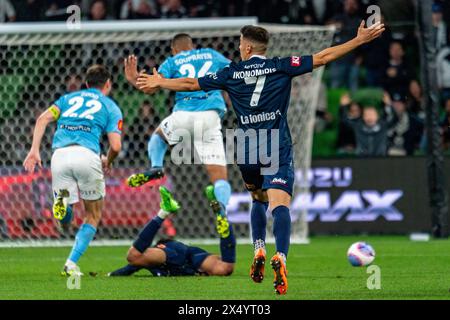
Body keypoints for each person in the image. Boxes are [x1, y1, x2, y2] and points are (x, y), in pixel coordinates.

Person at [135, 22, 385, 294]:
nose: (239, 47)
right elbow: (324, 56)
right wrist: (358, 40)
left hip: (247, 147)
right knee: (280, 205)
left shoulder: (231, 72)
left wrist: (160, 82)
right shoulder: (282, 65)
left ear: (249, 47)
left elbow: (191, 83)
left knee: (257, 199)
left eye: (241, 44)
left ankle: (258, 249)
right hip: (276, 143)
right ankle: (281, 256)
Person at [23, 65, 123, 276]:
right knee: (93, 215)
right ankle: (70, 263)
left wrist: (34, 151)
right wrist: (108, 160)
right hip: (87, 156)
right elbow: (115, 146)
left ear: (86, 84)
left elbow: (42, 119)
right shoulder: (110, 106)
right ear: (108, 84)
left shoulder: (67, 100)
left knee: (65, 219)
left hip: (59, 155)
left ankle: (64, 206)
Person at [124, 33, 233, 218]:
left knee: (158, 137)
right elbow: (235, 71)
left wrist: (134, 78)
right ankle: (221, 210)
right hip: (210, 117)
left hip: (183, 116)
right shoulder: (211, 54)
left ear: (174, 50)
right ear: (193, 45)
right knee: (219, 177)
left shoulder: (172, 61)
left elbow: (150, 88)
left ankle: (156, 167)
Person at [109, 186, 235, 277]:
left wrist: (112, 275)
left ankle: (163, 212)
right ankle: (221, 213)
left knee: (133, 256)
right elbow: (129, 268)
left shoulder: (158, 253)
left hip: (172, 254)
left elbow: (130, 266)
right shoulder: (150, 260)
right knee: (226, 268)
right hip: (191, 257)